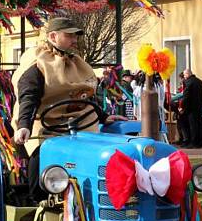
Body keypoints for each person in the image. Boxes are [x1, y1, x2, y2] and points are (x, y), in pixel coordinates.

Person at [12, 16, 125, 198]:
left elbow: (86, 95)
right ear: (53, 36)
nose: (74, 40)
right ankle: (38, 200)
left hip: (79, 124)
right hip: (47, 123)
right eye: (70, 36)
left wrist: (104, 117)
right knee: (40, 155)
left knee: (97, 151)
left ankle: (92, 195)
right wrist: (24, 124)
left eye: (75, 36)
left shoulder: (77, 63)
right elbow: (28, 96)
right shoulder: (38, 64)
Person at [180, 68, 202, 147]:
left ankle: (193, 142)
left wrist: (182, 106)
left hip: (190, 107)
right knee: (199, 124)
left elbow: (186, 96)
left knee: (192, 125)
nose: (184, 77)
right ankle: (199, 142)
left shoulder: (188, 82)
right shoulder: (200, 81)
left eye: (184, 75)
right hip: (200, 106)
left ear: (187, 74)